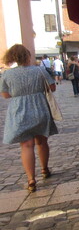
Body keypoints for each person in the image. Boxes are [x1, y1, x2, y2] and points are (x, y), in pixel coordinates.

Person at [0, 44, 58, 193]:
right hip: (39, 107)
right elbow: (52, 87)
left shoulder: (7, 74)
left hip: (19, 111)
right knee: (41, 141)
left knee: (26, 145)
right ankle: (44, 169)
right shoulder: (39, 70)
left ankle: (31, 179)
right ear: (27, 56)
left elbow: (5, 95)